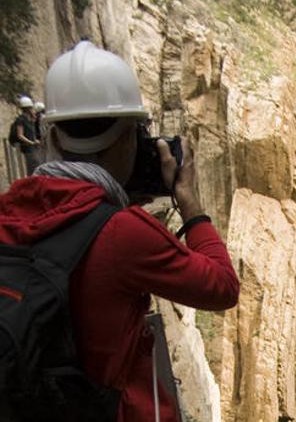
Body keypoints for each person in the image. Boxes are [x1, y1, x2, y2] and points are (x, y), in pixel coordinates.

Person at [0, 41, 240, 421]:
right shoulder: (122, 234)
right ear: (129, 136)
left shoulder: (13, 207)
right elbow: (222, 286)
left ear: (53, 136)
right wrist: (190, 204)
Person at [12, 96, 40, 174]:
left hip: (33, 147)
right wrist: (31, 142)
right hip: (28, 148)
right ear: (28, 108)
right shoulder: (21, 120)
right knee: (32, 169)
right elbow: (20, 135)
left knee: (36, 167)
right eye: (30, 108)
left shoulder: (29, 119)